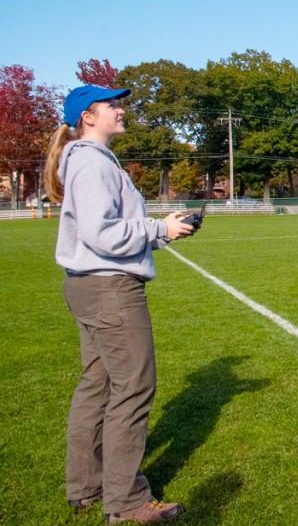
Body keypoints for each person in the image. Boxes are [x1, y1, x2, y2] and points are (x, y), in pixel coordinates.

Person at [43, 84, 193, 524]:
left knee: (99, 384)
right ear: (88, 116)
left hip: (89, 286)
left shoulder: (88, 161)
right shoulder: (91, 163)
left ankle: (87, 486)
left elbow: (108, 233)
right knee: (132, 387)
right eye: (113, 105)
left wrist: (163, 233)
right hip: (110, 290)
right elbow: (102, 234)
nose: (121, 110)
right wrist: (158, 230)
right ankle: (126, 502)